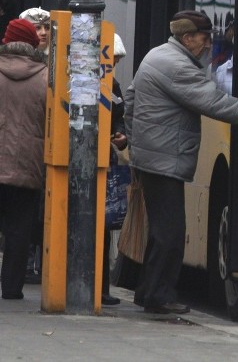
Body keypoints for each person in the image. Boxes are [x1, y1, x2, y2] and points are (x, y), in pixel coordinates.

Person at [125, 10, 238, 315]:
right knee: (171, 233)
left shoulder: (157, 55)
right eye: (204, 38)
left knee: (161, 231)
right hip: (163, 159)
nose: (208, 45)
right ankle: (159, 296)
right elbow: (215, 103)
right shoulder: (177, 66)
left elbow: (130, 100)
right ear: (187, 37)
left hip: (154, 156)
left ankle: (148, 291)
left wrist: (136, 142)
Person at [0, 19, 48, 300]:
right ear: (32, 43)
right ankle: (12, 289)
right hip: (28, 165)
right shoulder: (45, 77)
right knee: (19, 231)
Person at [102, 33, 128, 306]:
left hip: (107, 159)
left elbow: (119, 118)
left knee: (105, 226)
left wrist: (120, 135)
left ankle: (102, 288)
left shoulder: (115, 86)